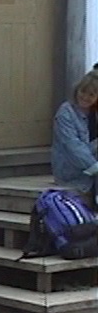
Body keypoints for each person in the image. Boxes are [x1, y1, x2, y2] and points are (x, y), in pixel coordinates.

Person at [51, 65, 98, 208]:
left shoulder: (94, 112)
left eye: (92, 94)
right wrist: (95, 166)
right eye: (83, 92)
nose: (85, 97)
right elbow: (73, 147)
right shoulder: (66, 112)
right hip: (71, 170)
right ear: (77, 90)